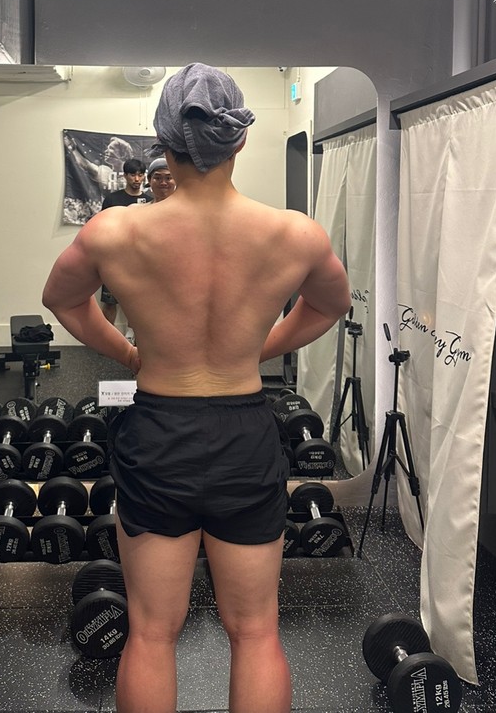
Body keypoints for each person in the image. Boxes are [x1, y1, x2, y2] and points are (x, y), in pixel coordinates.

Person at [42, 63, 351, 713]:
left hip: (159, 430)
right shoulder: (293, 234)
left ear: (163, 145)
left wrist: (128, 351)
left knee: (152, 633)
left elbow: (63, 301)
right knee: (256, 631)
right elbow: (330, 305)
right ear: (241, 140)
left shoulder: (116, 232)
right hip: (244, 434)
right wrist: (260, 347)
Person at [99, 159, 153, 325]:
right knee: (109, 303)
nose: (137, 179)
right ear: (124, 175)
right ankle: (106, 339)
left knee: (138, 305)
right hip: (114, 259)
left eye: (140, 175)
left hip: (140, 259)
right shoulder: (112, 199)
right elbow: (102, 228)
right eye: (132, 175)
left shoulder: (150, 201)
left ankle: (135, 339)